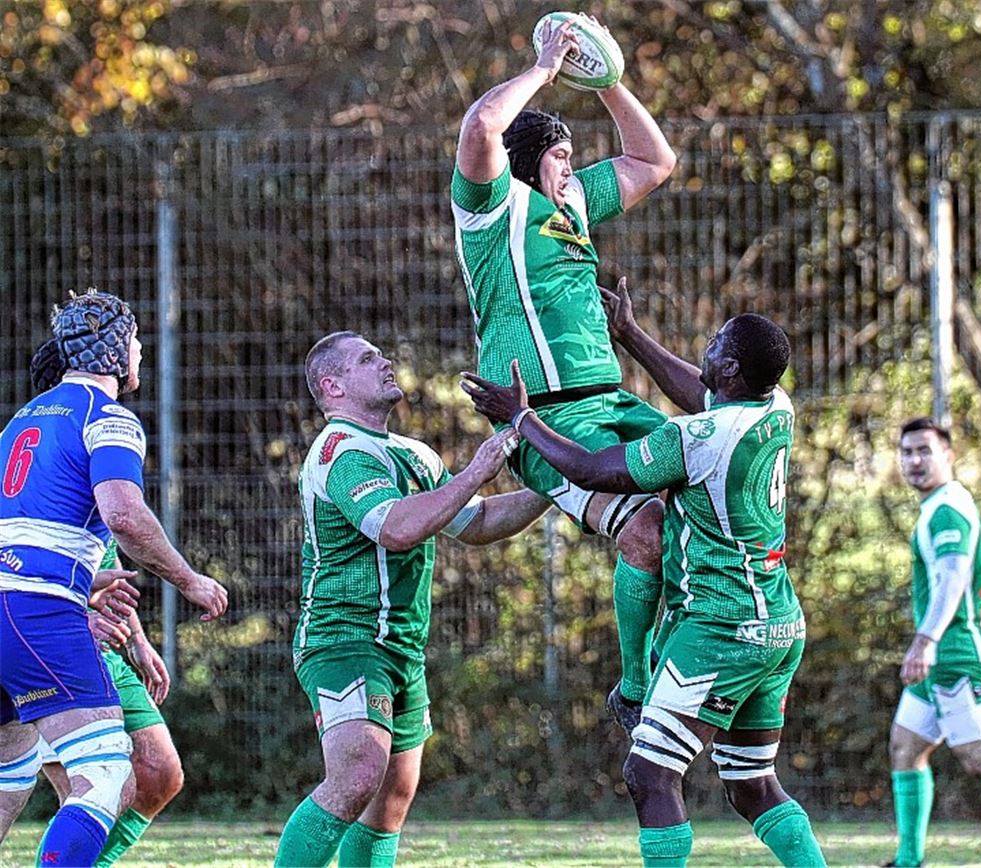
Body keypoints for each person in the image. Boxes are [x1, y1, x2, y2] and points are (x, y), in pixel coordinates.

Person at [462, 278, 826, 867]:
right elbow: (698, 392)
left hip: (720, 628)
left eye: (714, 344)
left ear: (730, 368)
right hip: (777, 624)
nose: (705, 349)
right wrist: (629, 335)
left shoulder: (699, 438)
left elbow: (589, 468)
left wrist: (521, 418)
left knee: (649, 775)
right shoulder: (773, 407)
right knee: (752, 784)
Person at [452, 13, 678, 728]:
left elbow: (653, 162)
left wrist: (609, 83)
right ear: (526, 163)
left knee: (717, 492)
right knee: (643, 528)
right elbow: (481, 128)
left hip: (613, 401)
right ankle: (637, 687)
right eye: (559, 155)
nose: (572, 166)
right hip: (544, 416)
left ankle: (708, 653)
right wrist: (546, 70)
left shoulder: (573, 204)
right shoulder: (492, 210)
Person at [274, 331, 549, 868]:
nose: (385, 361)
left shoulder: (412, 453)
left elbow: (478, 521)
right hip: (344, 640)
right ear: (332, 387)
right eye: (367, 358)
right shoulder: (341, 452)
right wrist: (475, 471)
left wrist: (558, 488)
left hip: (401, 646)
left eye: (381, 354)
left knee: (391, 800)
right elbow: (396, 529)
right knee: (355, 776)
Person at [0, 290, 228, 866]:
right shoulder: (108, 419)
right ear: (115, 354)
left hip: (12, 607)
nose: (141, 352)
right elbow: (124, 515)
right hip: (38, 613)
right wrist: (189, 579)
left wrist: (83, 579)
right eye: (134, 341)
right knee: (104, 773)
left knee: (11, 775)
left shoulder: (18, 424)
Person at [28, 337, 185, 868]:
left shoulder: (93, 447)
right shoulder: (56, 442)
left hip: (93, 642)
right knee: (96, 778)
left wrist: (139, 641)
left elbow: (110, 567)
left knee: (157, 774)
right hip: (48, 632)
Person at [885, 417, 981, 867]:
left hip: (954, 651)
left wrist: (925, 640)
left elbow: (952, 574)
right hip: (943, 652)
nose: (914, 460)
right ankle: (908, 861)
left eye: (925, 450)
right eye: (907, 452)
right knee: (905, 747)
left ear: (949, 455)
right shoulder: (939, 506)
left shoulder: (947, 509)